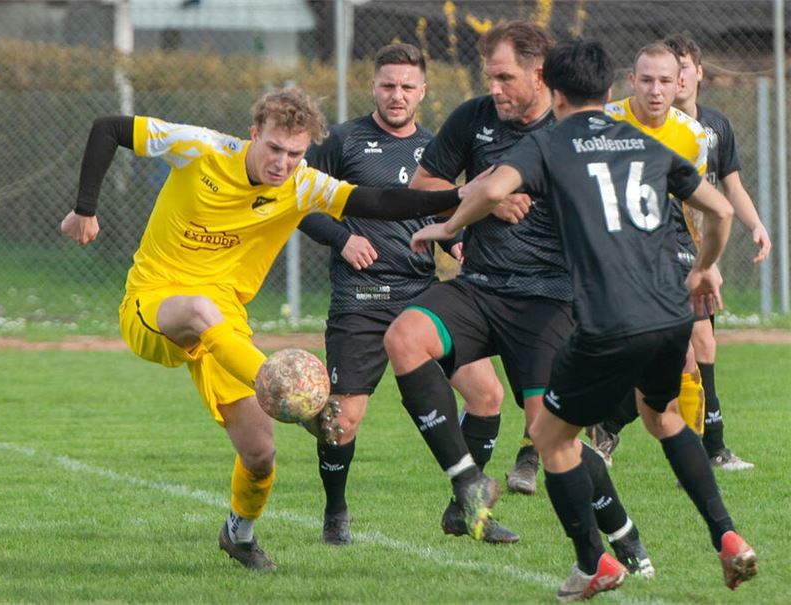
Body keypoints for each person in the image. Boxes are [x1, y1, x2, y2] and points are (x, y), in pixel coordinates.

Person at [60, 87, 470, 571]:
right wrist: (85, 208)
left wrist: (459, 196)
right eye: (274, 148)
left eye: (295, 154)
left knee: (259, 454)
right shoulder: (202, 148)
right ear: (254, 134)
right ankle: (296, 396)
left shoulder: (303, 184)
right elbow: (108, 128)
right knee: (199, 309)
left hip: (225, 326)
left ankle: (239, 534)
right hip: (154, 304)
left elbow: (377, 200)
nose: (283, 163)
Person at [412, 37, 757, 602]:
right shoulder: (642, 140)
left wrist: (448, 229)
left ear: (553, 90)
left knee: (550, 436)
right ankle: (726, 535)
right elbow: (719, 210)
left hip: (608, 320)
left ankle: (591, 561)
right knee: (664, 418)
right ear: (611, 88)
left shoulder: (549, 142)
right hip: (670, 314)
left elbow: (492, 188)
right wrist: (702, 270)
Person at [396, 21, 652, 572]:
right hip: (481, 287)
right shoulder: (474, 118)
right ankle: (467, 484)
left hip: (548, 301)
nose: (494, 88)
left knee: (548, 433)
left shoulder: (576, 132)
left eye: (505, 78)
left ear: (541, 76)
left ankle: (625, 536)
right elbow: (421, 190)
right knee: (405, 337)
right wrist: (479, 195)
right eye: (490, 76)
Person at [587, 34, 770, 471]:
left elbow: (704, 201)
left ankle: (704, 450)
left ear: (691, 76)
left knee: (695, 347)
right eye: (648, 79)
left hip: (676, 248)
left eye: (671, 76)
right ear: (633, 80)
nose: (661, 87)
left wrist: (707, 262)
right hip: (617, 255)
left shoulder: (699, 133)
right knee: (658, 353)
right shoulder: (606, 121)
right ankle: (600, 428)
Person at [297, 43, 441, 546]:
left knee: (486, 392)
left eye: (407, 86)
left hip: (422, 293)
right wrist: (343, 238)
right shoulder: (342, 140)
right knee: (341, 422)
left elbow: (445, 212)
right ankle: (335, 511)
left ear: (422, 91)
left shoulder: (436, 148)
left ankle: (467, 498)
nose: (397, 95)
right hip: (361, 296)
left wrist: (458, 240)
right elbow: (298, 200)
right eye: (388, 85)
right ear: (373, 87)